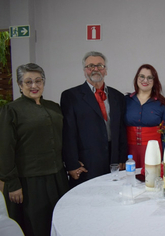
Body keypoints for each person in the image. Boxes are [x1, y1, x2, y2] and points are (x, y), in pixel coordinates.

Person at [0, 63, 69, 236]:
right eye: (28, 81)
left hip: (57, 176)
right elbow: (4, 149)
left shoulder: (53, 107)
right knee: (36, 226)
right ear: (20, 85)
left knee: (59, 220)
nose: (34, 86)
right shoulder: (11, 110)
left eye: (38, 81)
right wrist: (13, 184)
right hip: (29, 182)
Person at [61, 51, 127, 188]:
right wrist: (71, 164)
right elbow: (68, 133)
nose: (95, 69)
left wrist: (122, 158)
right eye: (90, 66)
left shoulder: (118, 97)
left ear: (106, 70)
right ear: (84, 70)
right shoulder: (70, 96)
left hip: (113, 161)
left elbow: (121, 130)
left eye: (100, 65)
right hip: (86, 163)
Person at [125, 64, 165, 168]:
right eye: (142, 76)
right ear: (137, 78)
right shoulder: (126, 100)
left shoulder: (161, 103)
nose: (145, 80)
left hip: (153, 150)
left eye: (150, 78)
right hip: (129, 151)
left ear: (155, 81)